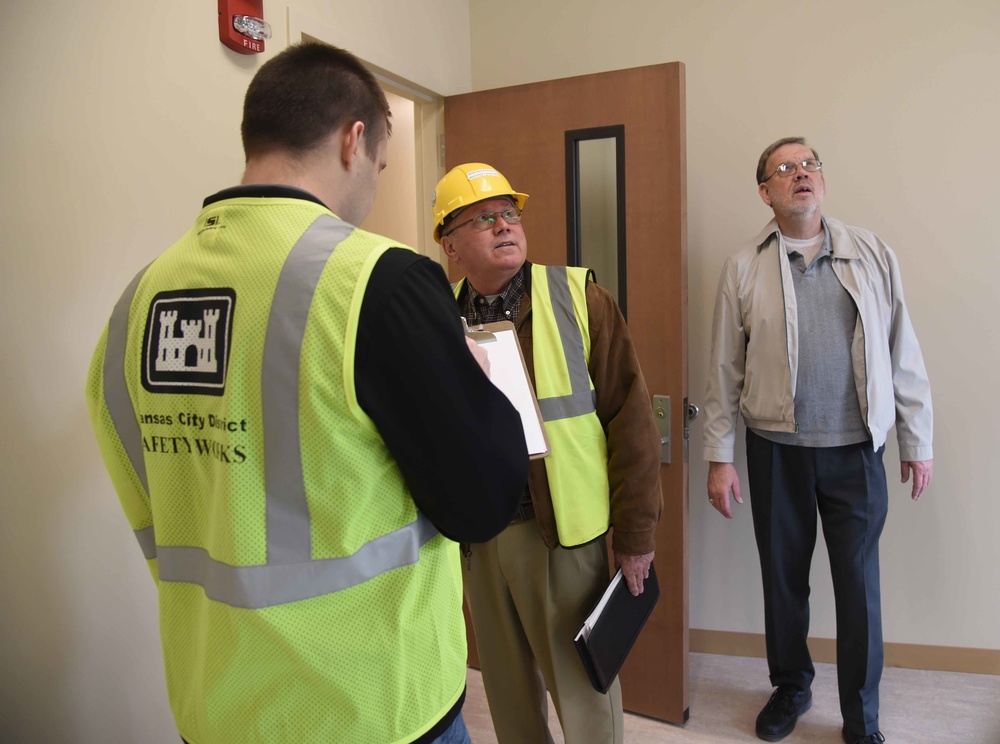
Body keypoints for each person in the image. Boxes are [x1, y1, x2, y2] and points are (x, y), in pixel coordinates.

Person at [84, 43, 530, 744]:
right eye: (382, 168)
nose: (374, 189)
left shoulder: (133, 305)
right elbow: (483, 501)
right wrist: (474, 384)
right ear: (355, 141)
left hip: (217, 711)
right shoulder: (375, 281)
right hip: (376, 710)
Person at [703, 137, 933, 744]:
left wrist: (917, 439)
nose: (800, 174)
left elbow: (901, 351)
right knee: (783, 580)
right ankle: (792, 687)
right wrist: (718, 457)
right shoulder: (743, 266)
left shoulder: (871, 253)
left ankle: (862, 717)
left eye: (809, 165)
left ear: (822, 181)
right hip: (776, 449)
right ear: (765, 192)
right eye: (785, 169)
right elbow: (724, 369)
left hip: (858, 450)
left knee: (859, 588)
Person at [430, 162, 663, 744]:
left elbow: (630, 422)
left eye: (510, 213)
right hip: (479, 542)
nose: (504, 226)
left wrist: (636, 537)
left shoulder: (578, 297)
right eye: (483, 218)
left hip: (561, 537)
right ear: (450, 244)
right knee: (506, 698)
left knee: (585, 698)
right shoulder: (434, 315)